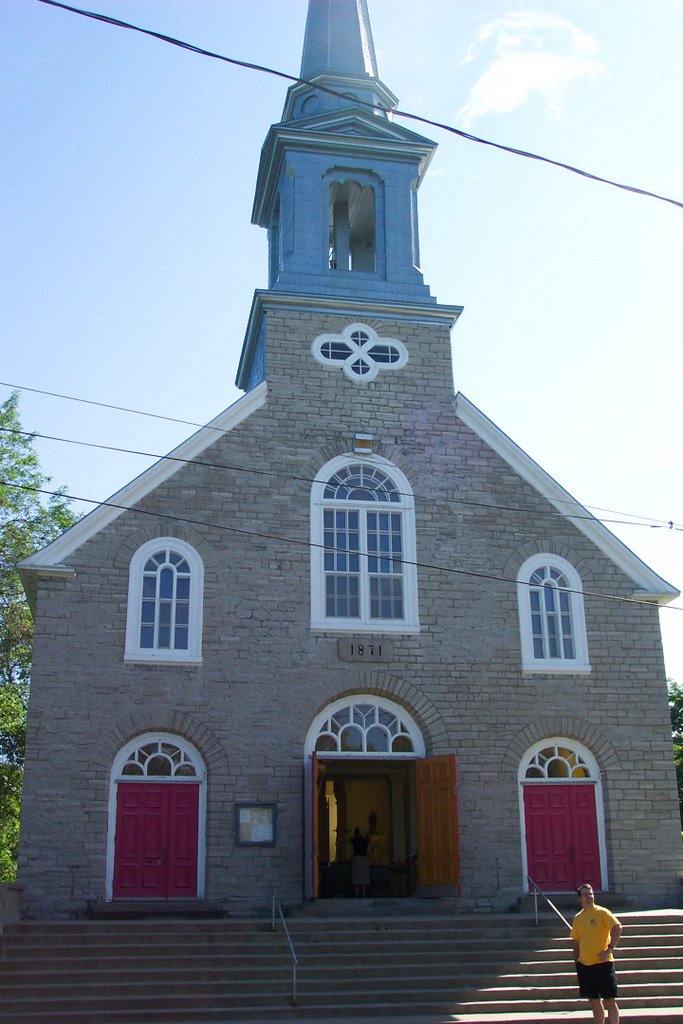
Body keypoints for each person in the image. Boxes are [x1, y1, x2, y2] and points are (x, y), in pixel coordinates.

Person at [570, 883, 623, 1024]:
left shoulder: (602, 912)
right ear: (580, 899)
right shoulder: (578, 918)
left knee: (609, 1000)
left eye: (591, 893)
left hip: (604, 964)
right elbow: (575, 942)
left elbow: (617, 928)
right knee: (594, 1001)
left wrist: (609, 949)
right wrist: (577, 963)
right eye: (585, 894)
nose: (589, 897)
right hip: (586, 965)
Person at [350, 827, 370, 897]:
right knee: (364, 879)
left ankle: (357, 895)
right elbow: (369, 851)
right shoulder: (366, 841)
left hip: (356, 859)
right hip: (364, 859)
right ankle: (364, 895)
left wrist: (351, 859)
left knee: (356, 880)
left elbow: (351, 852)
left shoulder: (353, 841)